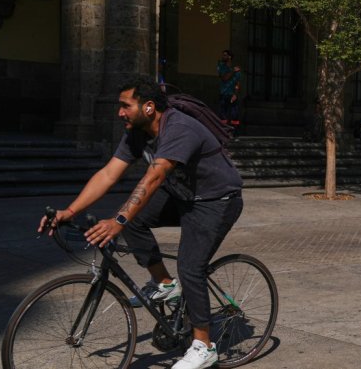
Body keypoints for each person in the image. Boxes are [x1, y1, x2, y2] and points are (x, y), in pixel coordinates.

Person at [39, 78, 244, 369]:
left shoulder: (179, 128)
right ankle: (163, 283)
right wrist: (68, 211)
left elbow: (155, 177)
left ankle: (204, 346)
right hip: (182, 194)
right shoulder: (137, 132)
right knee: (135, 221)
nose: (120, 113)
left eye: (125, 106)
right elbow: (109, 174)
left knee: (190, 266)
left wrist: (119, 220)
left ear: (149, 107)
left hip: (216, 200)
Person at [217, 50, 242, 133]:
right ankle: (223, 133)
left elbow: (237, 84)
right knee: (223, 116)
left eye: (225, 55)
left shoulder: (237, 70)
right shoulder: (221, 66)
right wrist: (233, 71)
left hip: (232, 95)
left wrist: (235, 94)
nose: (223, 57)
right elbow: (224, 78)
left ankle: (233, 134)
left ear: (229, 57)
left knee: (234, 116)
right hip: (224, 94)